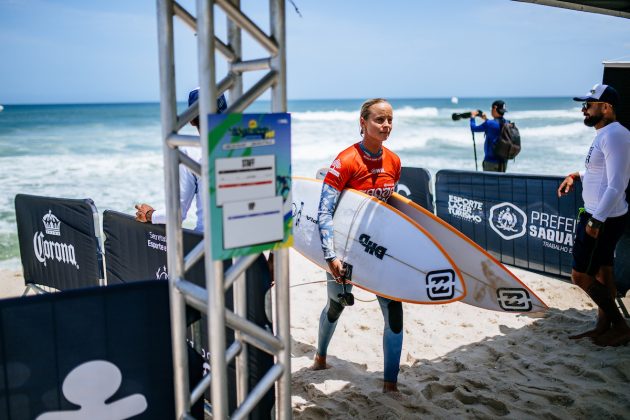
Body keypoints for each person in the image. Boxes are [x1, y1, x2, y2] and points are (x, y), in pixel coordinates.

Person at [311, 98, 404, 393]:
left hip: (378, 250)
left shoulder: (394, 161)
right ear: (363, 122)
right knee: (336, 305)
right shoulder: (346, 160)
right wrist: (330, 256)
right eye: (379, 119)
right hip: (346, 250)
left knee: (394, 312)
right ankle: (321, 356)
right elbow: (324, 211)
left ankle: (390, 384)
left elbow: (388, 209)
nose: (386, 125)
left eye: (389, 119)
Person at [557, 83, 630, 347]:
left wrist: (596, 220)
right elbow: (600, 175)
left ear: (606, 107)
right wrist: (575, 175)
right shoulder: (605, 134)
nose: (583, 110)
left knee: (580, 276)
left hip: (603, 218)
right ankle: (604, 324)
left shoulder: (615, 135)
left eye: (588, 105)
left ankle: (621, 326)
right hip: (601, 215)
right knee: (602, 272)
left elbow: (617, 184)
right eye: (583, 105)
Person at [135, 88, 227, 231]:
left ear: (191, 120)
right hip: (251, 247)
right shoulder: (252, 143)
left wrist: (150, 215)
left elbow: (176, 214)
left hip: (210, 246)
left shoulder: (191, 152)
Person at [470, 100, 509, 172]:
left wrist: (472, 117)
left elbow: (473, 128)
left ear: (495, 108)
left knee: (489, 183)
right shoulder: (507, 123)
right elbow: (496, 128)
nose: (491, 110)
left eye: (491, 109)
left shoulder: (489, 124)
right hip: (503, 162)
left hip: (490, 162)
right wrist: (486, 119)